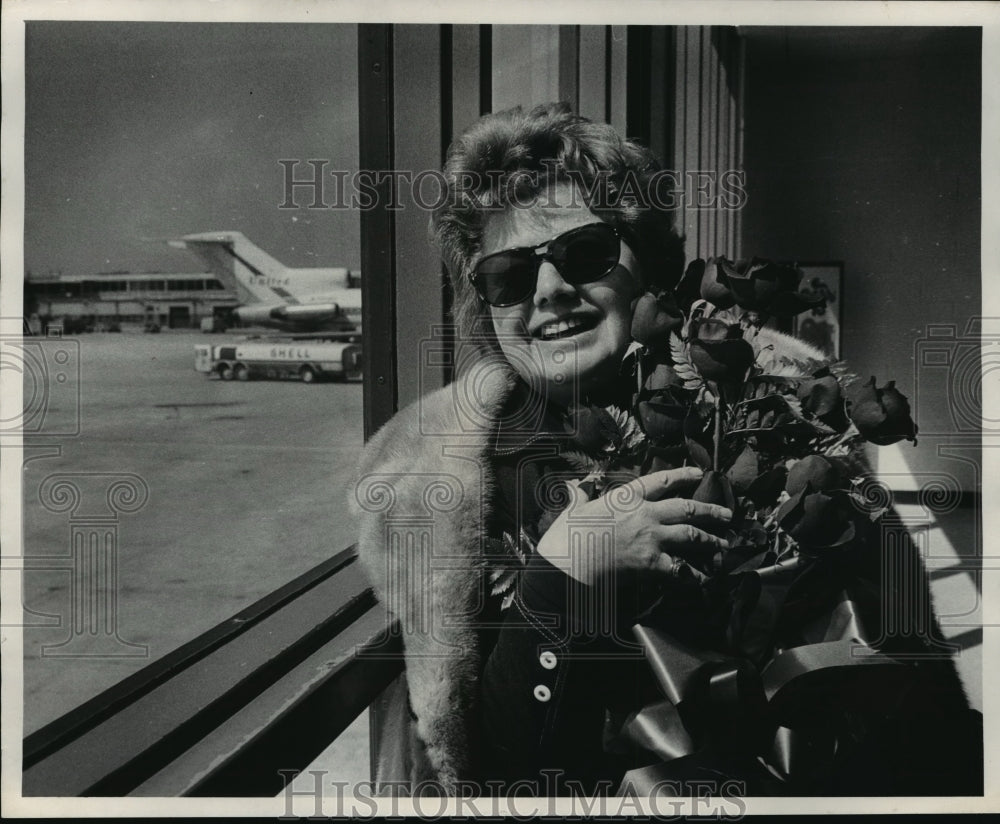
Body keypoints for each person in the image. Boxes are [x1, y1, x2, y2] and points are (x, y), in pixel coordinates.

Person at [350, 102, 980, 797]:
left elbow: (916, 679)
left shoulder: (786, 412)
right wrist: (563, 574)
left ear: (647, 266)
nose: (550, 291)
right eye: (509, 276)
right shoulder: (445, 488)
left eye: (584, 254)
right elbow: (489, 779)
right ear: (488, 309)